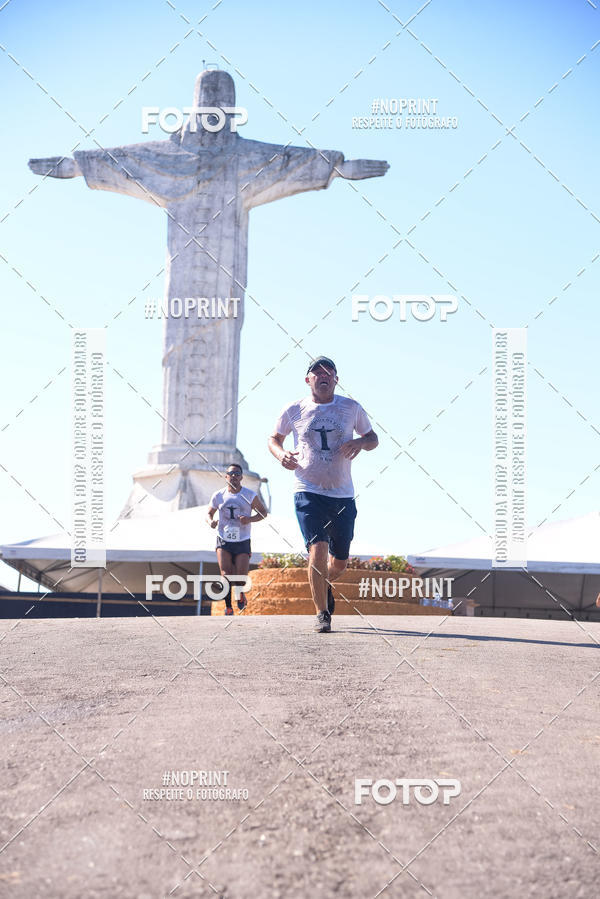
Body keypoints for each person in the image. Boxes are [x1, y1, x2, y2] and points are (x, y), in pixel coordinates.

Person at [268, 356, 378, 632]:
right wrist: (281, 455)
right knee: (317, 549)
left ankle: (323, 583)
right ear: (308, 380)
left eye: (329, 372)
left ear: (336, 379)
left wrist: (360, 442)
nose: (323, 376)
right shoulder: (293, 409)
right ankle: (322, 613)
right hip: (308, 491)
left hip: (342, 495)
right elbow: (274, 439)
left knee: (338, 563)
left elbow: (373, 438)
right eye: (317, 373)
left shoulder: (351, 408)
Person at [207, 464, 268, 615]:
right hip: (223, 539)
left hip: (243, 539)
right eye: (231, 473)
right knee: (226, 574)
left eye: (237, 473)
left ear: (241, 477)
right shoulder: (218, 495)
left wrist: (250, 519)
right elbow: (208, 514)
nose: (234, 476)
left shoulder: (249, 495)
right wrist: (211, 522)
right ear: (226, 476)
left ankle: (240, 594)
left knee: (240, 576)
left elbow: (263, 513)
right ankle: (228, 607)